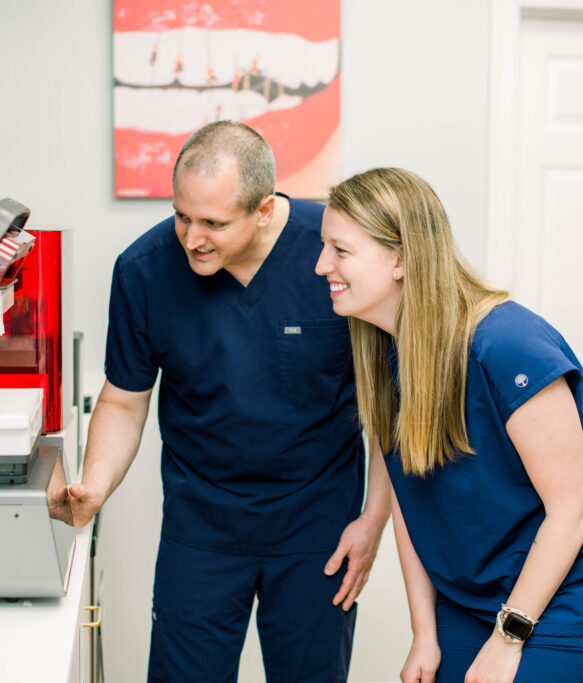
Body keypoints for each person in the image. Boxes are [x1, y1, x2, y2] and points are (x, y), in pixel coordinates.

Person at [52, 121, 391, 682]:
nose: (191, 238)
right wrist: (95, 484)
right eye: (182, 215)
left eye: (213, 222)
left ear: (263, 209)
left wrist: (373, 519)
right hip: (202, 526)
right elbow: (124, 400)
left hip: (318, 528)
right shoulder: (144, 270)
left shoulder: (333, 254)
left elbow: (388, 406)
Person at [314, 167, 583, 683]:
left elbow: (575, 508)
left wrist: (509, 638)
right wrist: (424, 634)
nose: (322, 266)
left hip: (569, 588)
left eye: (340, 250)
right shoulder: (385, 353)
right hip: (471, 591)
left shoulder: (507, 343)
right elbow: (413, 505)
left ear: (402, 259)